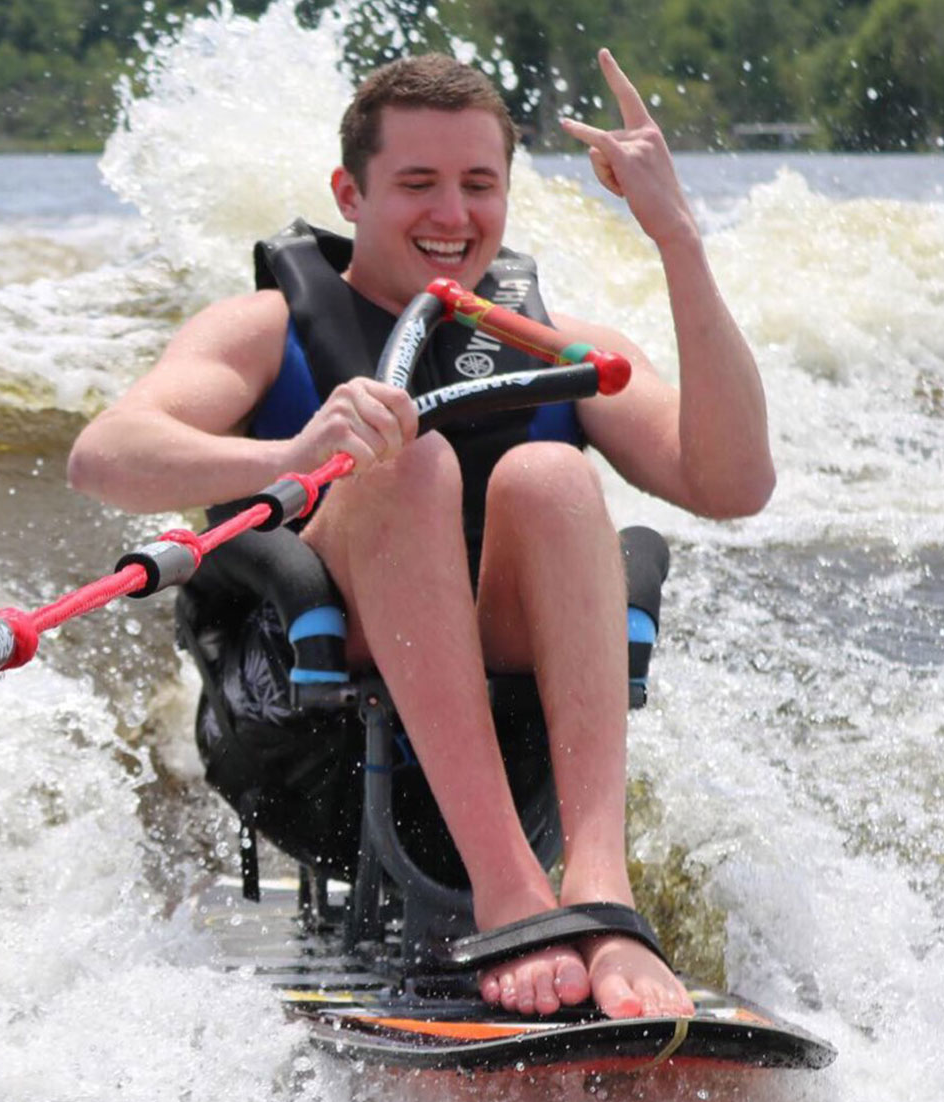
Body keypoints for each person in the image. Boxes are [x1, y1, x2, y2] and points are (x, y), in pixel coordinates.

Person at [68, 48, 773, 1020]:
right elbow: (105, 455)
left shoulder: (566, 346)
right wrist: (295, 451)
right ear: (348, 193)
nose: (453, 214)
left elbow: (734, 483)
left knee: (550, 472)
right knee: (409, 461)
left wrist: (678, 236)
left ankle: (599, 889)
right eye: (418, 184)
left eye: (479, 184)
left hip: (524, 745)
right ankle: (508, 889)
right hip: (307, 744)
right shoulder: (263, 326)